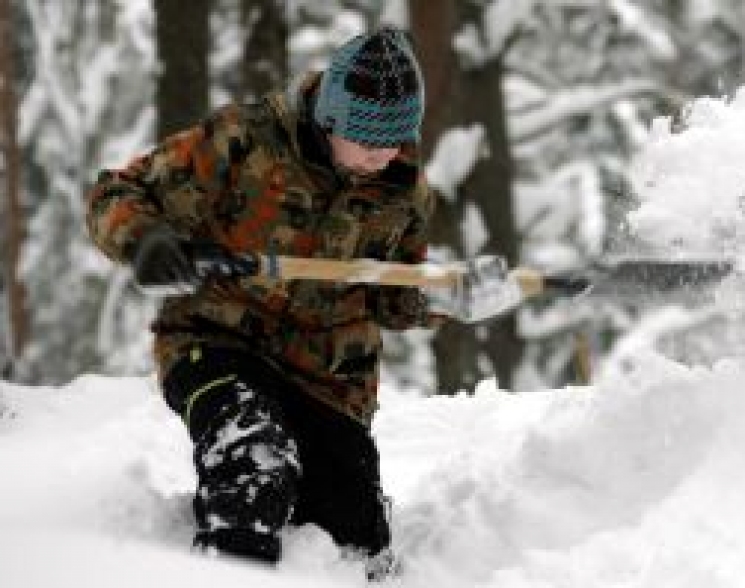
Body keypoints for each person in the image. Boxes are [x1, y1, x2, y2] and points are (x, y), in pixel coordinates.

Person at [86, 26, 508, 577]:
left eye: (394, 139)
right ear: (330, 117)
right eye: (365, 137)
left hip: (329, 380)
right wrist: (146, 240)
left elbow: (390, 297)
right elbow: (116, 193)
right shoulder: (243, 142)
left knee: (354, 543)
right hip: (218, 342)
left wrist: (445, 296)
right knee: (254, 458)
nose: (381, 155)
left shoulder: (403, 193)